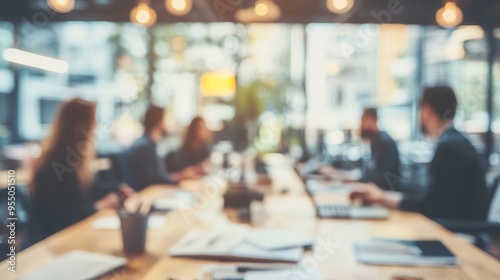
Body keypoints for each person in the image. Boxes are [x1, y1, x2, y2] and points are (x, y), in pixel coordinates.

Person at [350, 86, 486, 220]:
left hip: (454, 233)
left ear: (427, 111)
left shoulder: (449, 148)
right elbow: (431, 199)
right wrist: (383, 196)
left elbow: (429, 207)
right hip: (453, 225)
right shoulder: (455, 142)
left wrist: (383, 197)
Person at [31, 98, 134, 239]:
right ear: (81, 127)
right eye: (93, 122)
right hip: (58, 241)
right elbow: (66, 215)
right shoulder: (59, 162)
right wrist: (99, 206)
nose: (95, 126)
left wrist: (117, 189)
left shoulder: (73, 157)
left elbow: (91, 189)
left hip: (71, 235)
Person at [320, 108, 401, 190]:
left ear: (372, 120)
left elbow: (380, 181)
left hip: (384, 197)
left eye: (362, 120)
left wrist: (342, 177)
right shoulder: (376, 142)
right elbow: (368, 175)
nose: (360, 126)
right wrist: (339, 175)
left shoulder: (385, 143)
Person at [126, 105, 200, 190]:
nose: (167, 123)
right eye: (165, 119)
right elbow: (154, 180)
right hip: (145, 193)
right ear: (159, 121)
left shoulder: (147, 143)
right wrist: (181, 176)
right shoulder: (145, 147)